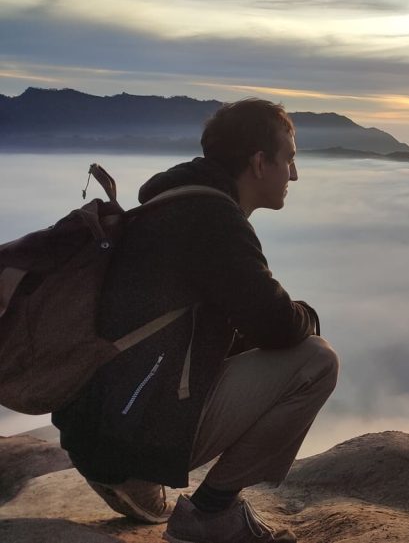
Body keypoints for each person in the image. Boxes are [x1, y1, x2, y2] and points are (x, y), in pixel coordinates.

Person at [52, 99, 339, 543]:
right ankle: (210, 513)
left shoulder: (169, 203)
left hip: (99, 427)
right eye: (289, 159)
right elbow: (278, 325)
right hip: (128, 433)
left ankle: (131, 476)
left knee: (268, 345)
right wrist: (309, 316)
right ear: (259, 163)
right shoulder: (212, 219)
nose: (294, 175)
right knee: (315, 361)